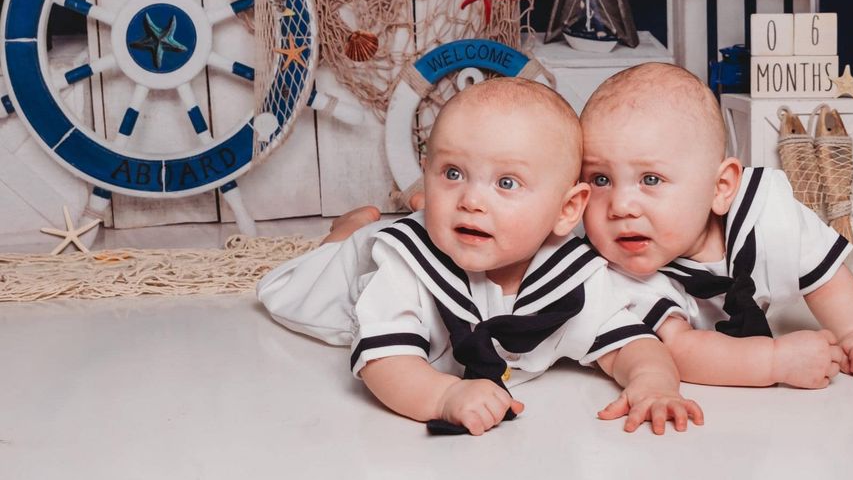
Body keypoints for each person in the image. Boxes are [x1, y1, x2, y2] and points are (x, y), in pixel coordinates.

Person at [258, 77, 703, 435]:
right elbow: (384, 361)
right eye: (453, 173)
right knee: (301, 286)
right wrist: (443, 397)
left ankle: (358, 225)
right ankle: (346, 233)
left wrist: (653, 383)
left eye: (506, 183)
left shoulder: (573, 277)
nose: (471, 199)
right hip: (352, 271)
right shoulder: (405, 264)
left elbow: (630, 342)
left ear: (568, 209)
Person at [579, 63, 853, 388]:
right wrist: (775, 361)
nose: (620, 206)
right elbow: (680, 350)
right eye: (600, 179)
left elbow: (826, 278)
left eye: (651, 179)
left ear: (720, 187)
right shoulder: (616, 273)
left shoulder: (768, 212)